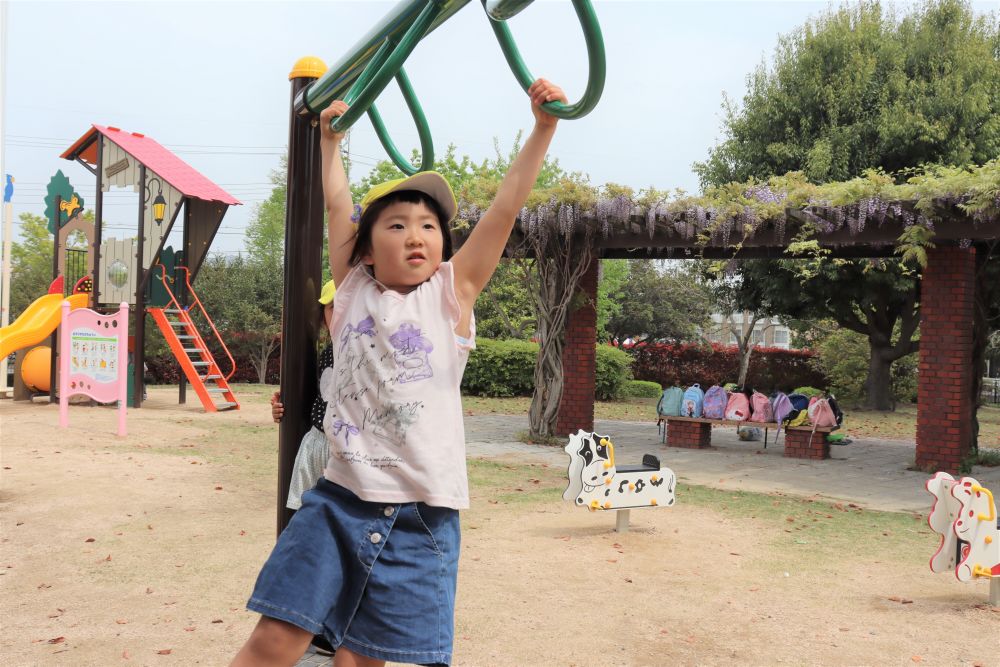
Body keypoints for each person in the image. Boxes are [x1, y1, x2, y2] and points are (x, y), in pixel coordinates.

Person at [231, 77, 566, 667]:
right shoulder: (354, 286)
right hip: (338, 500)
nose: (416, 234)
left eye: (429, 225)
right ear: (364, 250)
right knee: (273, 641)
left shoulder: (451, 294)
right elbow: (338, 205)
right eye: (396, 224)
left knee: (361, 659)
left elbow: (506, 208)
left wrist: (542, 128)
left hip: (420, 515)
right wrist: (330, 144)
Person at [270, 279, 337, 512]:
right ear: (323, 317)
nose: (340, 313)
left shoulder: (371, 352)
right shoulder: (326, 353)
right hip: (317, 442)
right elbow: (317, 396)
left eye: (348, 304)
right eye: (332, 307)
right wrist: (282, 407)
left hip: (349, 450)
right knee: (305, 517)